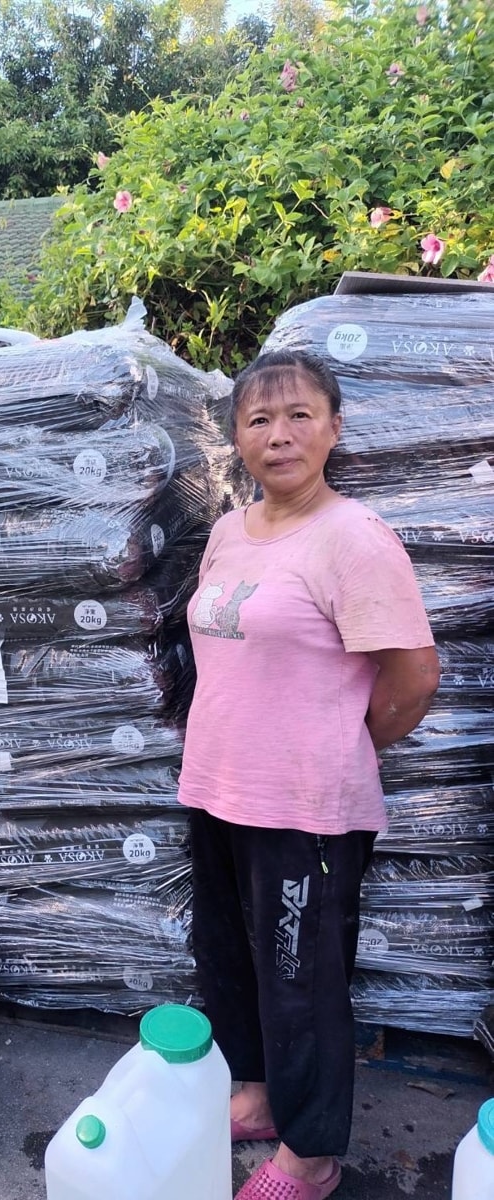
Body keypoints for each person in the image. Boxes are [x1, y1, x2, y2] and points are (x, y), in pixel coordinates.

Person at [177, 350, 439, 1200]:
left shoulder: (353, 540)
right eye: (258, 420)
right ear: (238, 441)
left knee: (302, 984)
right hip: (216, 784)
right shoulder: (226, 534)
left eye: (298, 416)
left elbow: (413, 680)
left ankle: (313, 1154)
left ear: (333, 427)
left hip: (306, 807)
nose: (279, 435)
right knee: (227, 959)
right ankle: (252, 1095)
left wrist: (335, 740)